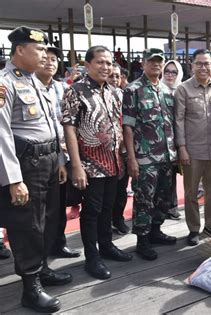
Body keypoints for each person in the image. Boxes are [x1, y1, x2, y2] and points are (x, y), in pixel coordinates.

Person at [0, 26, 72, 313]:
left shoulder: (35, 83)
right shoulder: (5, 83)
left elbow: (52, 125)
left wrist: (60, 160)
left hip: (49, 161)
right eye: (39, 49)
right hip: (25, 166)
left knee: (49, 220)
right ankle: (30, 288)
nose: (45, 55)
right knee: (28, 226)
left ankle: (42, 270)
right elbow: (2, 133)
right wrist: (14, 179)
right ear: (20, 50)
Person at [62, 45, 133, 280]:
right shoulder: (76, 91)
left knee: (108, 208)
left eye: (109, 63)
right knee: (91, 211)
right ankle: (92, 257)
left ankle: (107, 246)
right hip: (90, 164)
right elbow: (69, 128)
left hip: (114, 162)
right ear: (88, 64)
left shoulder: (114, 91)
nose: (106, 67)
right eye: (100, 62)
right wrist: (76, 165)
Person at [122, 48, 178, 261]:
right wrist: (131, 158)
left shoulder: (166, 90)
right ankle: (142, 241)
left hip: (166, 156)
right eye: (151, 61)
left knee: (163, 197)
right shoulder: (133, 89)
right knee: (144, 200)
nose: (156, 65)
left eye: (159, 62)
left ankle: (156, 231)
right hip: (145, 158)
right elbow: (127, 126)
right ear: (143, 63)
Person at [175, 49, 211, 246]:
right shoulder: (183, 89)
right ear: (192, 65)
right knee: (191, 192)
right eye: (199, 63)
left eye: (207, 63)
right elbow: (178, 120)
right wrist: (182, 148)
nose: (203, 67)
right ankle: (194, 229)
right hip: (193, 150)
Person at [35, 45, 81, 258]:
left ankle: (58, 243)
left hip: (62, 155)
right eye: (46, 58)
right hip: (36, 158)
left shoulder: (62, 88)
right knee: (39, 209)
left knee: (60, 203)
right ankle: (39, 253)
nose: (50, 62)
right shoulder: (27, 86)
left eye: (54, 59)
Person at [108, 64, 130, 235]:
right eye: (111, 76)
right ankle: (106, 222)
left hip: (122, 150)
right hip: (103, 153)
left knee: (121, 188)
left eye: (117, 76)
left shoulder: (124, 95)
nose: (114, 79)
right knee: (107, 191)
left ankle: (118, 218)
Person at [162, 59, 184, 221]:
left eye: (174, 72)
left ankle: (172, 206)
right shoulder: (158, 89)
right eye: (167, 71)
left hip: (180, 139)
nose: (170, 75)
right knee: (162, 176)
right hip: (160, 141)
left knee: (173, 175)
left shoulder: (182, 90)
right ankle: (161, 209)